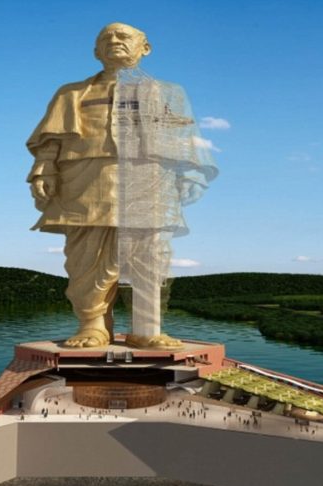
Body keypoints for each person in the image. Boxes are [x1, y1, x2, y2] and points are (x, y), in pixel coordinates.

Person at [26, 22, 216, 348]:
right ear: (96, 51)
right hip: (88, 181)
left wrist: (192, 173)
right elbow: (50, 141)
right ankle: (93, 326)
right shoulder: (71, 93)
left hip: (149, 180)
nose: (114, 40)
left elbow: (184, 138)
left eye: (123, 36)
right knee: (87, 256)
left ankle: (147, 328)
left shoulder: (169, 92)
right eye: (106, 37)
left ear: (145, 48)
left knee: (150, 254)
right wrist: (44, 171)